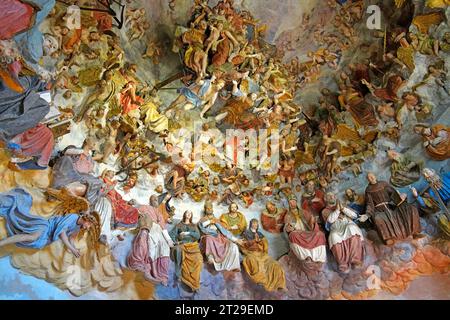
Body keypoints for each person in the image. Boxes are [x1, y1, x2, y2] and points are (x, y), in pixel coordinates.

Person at [0, 188, 98, 258]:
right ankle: (2, 242)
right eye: (89, 225)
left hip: (48, 237)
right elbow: (62, 233)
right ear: (87, 220)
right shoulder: (73, 217)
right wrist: (71, 248)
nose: (88, 228)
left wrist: (74, 248)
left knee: (37, 243)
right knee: (32, 236)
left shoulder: (78, 227)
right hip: (45, 227)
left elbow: (71, 238)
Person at [363, 173, 423, 245]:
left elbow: (393, 194)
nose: (371, 178)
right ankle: (388, 238)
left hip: (390, 206)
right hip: (379, 210)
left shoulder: (383, 184)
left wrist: (400, 199)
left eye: (372, 176)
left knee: (411, 208)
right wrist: (367, 214)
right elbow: (370, 204)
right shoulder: (368, 190)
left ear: (375, 176)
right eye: (369, 177)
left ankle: (415, 232)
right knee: (378, 219)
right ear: (367, 180)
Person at [127, 209, 174, 286]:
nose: (155, 200)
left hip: (157, 229)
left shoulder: (157, 211)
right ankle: (141, 265)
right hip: (146, 225)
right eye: (153, 198)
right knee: (144, 238)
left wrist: (169, 239)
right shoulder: (142, 208)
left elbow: (162, 225)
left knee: (164, 248)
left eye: (156, 199)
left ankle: (162, 275)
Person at [321, 193, 366, 273]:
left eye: (333, 195)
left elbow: (355, 215)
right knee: (333, 236)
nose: (332, 197)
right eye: (329, 196)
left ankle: (356, 259)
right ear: (326, 199)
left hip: (347, 224)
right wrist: (337, 210)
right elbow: (330, 220)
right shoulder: (325, 211)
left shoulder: (343, 205)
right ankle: (343, 263)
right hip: (336, 228)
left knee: (351, 228)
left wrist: (343, 209)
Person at [240, 219, 286, 292]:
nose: (255, 225)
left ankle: (279, 284)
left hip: (262, 254)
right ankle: (261, 280)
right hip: (251, 253)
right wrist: (254, 241)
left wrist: (261, 242)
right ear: (250, 224)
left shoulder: (260, 234)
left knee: (275, 264)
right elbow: (243, 244)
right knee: (255, 262)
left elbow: (265, 245)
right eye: (253, 223)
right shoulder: (246, 233)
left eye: (256, 224)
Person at [198, 201, 242, 272]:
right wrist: (209, 222)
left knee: (233, 246)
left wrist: (235, 239)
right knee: (208, 238)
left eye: (210, 208)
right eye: (207, 208)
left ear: (213, 209)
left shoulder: (216, 220)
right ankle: (210, 256)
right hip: (208, 237)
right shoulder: (202, 220)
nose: (209, 209)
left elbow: (224, 231)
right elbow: (202, 229)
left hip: (219, 238)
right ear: (205, 210)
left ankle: (233, 266)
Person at [284, 196, 327, 263]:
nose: (292, 203)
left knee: (320, 234)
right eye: (290, 202)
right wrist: (288, 228)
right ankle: (305, 257)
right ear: (288, 204)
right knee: (293, 235)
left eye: (293, 201)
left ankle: (319, 257)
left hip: (308, 232)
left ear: (296, 202)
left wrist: (312, 220)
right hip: (297, 233)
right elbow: (286, 227)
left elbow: (311, 221)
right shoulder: (288, 215)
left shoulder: (304, 212)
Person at [169, 211, 203, 292]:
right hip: (182, 244)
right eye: (187, 213)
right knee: (178, 250)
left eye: (190, 213)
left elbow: (198, 236)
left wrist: (189, 233)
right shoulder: (179, 225)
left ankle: (194, 283)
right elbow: (172, 235)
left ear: (191, 216)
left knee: (198, 259)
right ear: (184, 214)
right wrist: (178, 237)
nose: (188, 214)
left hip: (192, 246)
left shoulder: (194, 226)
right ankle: (178, 274)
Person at [411, 168, 450, 238]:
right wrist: (416, 196)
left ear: (433, 171)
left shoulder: (446, 176)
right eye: (425, 175)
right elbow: (427, 204)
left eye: (428, 173)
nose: (427, 176)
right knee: (442, 220)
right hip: (448, 206)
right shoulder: (431, 192)